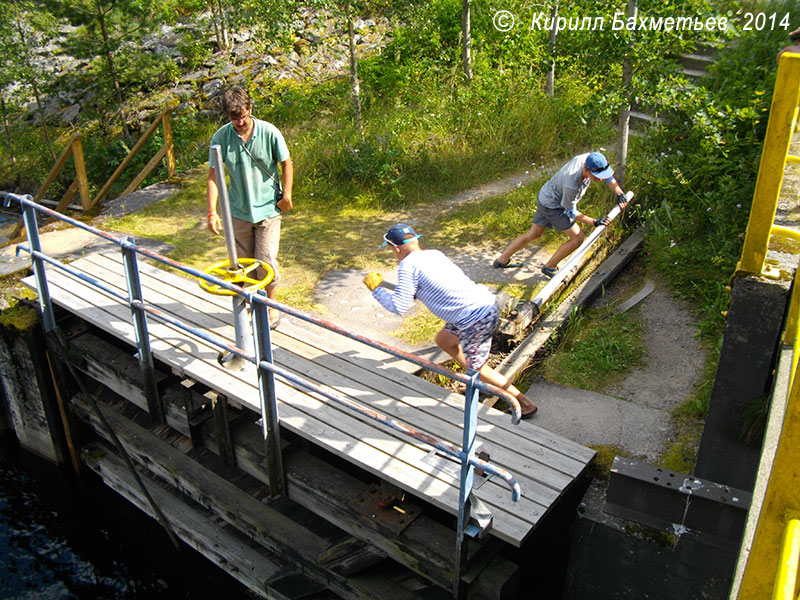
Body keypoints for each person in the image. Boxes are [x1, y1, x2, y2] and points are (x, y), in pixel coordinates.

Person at [364, 223, 538, 419]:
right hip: (478, 306)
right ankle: (483, 385)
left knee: (477, 368)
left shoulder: (407, 266)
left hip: (474, 318)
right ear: (415, 239)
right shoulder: (434, 254)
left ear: (396, 248)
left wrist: (376, 289)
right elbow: (431, 286)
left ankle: (524, 403)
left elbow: (399, 306)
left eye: (391, 249)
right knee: (445, 341)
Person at [206, 86, 293, 328]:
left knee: (266, 260)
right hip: (238, 211)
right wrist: (212, 211)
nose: (240, 122)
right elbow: (213, 176)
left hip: (267, 209)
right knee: (241, 264)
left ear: (250, 109)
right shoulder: (220, 138)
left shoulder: (269, 132)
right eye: (235, 118)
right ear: (227, 116)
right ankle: (244, 306)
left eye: (243, 116)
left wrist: (286, 195)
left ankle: (270, 307)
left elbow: (286, 163)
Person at [492, 151, 629, 278]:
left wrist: (619, 193)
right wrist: (594, 221)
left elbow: (605, 174)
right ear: (586, 170)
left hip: (545, 196)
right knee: (578, 238)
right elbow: (570, 211)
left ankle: (502, 260)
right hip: (553, 206)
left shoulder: (590, 158)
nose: (600, 180)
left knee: (534, 234)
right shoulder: (572, 184)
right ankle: (550, 267)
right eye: (596, 177)